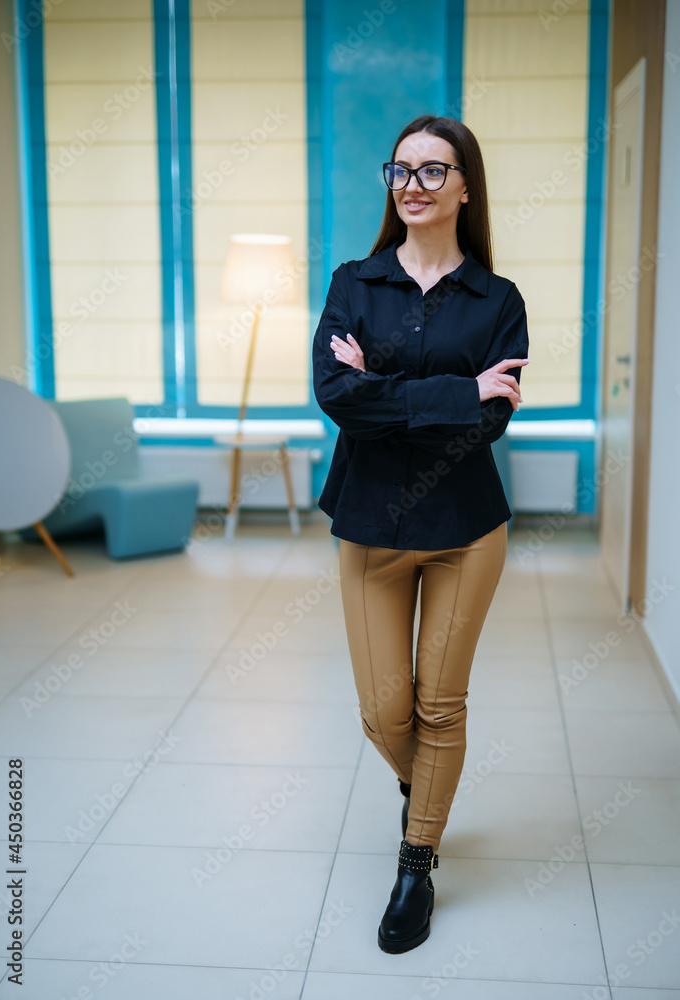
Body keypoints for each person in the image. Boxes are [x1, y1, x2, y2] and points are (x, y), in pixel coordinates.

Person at [311, 114, 529, 954]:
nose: (412, 184)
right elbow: (335, 395)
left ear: (465, 187)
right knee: (382, 710)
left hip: (466, 528)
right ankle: (424, 785)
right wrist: (455, 390)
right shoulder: (353, 283)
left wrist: (393, 394)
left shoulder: (497, 301)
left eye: (434, 171)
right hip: (368, 522)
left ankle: (416, 861)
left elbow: (488, 428)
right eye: (400, 169)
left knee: (440, 704)